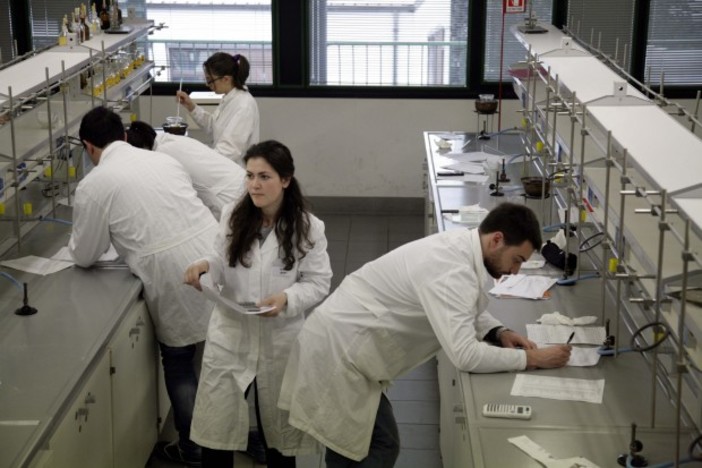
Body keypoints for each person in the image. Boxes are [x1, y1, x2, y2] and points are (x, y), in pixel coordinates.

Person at [278, 202, 572, 466]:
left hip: (346, 343)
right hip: (340, 353)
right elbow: (465, 354)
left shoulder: (462, 246)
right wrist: (532, 358)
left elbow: (459, 303)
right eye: (517, 259)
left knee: (361, 446)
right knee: (376, 447)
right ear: (497, 239)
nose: (516, 271)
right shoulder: (451, 269)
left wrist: (498, 330)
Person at [68, 106, 218, 467]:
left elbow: (85, 254)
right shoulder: (161, 160)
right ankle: (238, 438)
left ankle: (193, 451)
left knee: (180, 362)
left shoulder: (95, 183)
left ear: (88, 147)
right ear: (122, 134)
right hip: (213, 254)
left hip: (172, 272)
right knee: (222, 355)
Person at [184, 140, 332, 467]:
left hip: (279, 337)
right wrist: (205, 266)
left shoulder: (308, 228)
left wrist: (287, 298)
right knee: (216, 431)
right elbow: (220, 261)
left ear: (285, 180)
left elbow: (319, 281)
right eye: (249, 175)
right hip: (231, 335)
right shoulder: (233, 216)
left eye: (264, 176)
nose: (254, 184)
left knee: (278, 438)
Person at [126, 121, 247, 220]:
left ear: (142, 148)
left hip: (230, 198)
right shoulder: (170, 139)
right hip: (242, 180)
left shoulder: (163, 156)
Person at [176, 52, 259, 165]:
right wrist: (191, 106)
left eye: (210, 80)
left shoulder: (244, 106)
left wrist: (197, 157)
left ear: (226, 79)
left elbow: (229, 151)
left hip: (234, 172)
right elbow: (213, 126)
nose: (207, 84)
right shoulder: (229, 98)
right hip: (223, 166)